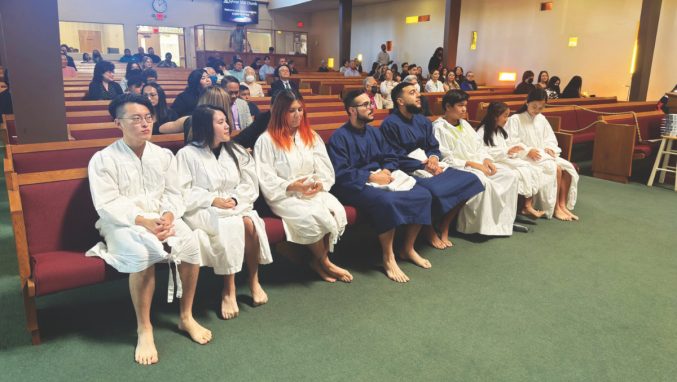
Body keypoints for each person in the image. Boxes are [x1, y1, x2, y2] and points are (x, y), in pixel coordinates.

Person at [87, 93, 212, 365]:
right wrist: (143, 221)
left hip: (161, 218)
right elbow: (107, 204)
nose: (145, 124)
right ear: (117, 123)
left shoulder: (164, 155)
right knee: (142, 253)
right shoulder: (103, 159)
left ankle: (186, 316)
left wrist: (168, 216)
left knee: (190, 243)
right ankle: (144, 327)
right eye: (136, 119)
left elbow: (174, 193)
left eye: (148, 117)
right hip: (123, 223)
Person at [177, 105, 273, 319]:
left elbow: (250, 182)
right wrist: (213, 199)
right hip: (202, 208)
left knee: (250, 223)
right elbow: (182, 191)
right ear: (205, 126)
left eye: (226, 120)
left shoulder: (236, 150)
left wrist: (236, 198)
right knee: (233, 224)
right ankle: (229, 289)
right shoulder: (187, 154)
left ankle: (253, 280)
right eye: (220, 122)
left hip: (235, 204)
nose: (227, 125)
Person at [328, 90, 434, 282]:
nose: (372, 108)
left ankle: (407, 248)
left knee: (423, 194)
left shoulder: (375, 133)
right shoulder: (339, 137)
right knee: (386, 202)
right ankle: (388, 256)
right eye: (366, 105)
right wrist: (369, 176)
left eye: (371, 104)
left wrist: (387, 169)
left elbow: (391, 156)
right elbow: (339, 172)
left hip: (382, 178)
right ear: (352, 110)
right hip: (354, 185)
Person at [254, 91, 352, 283]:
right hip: (285, 195)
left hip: (311, 189)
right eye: (291, 111)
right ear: (280, 112)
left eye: (300, 109)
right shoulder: (266, 140)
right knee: (310, 217)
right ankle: (325, 261)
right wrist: (292, 186)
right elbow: (265, 177)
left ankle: (316, 262)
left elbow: (324, 165)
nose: (297, 114)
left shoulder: (310, 135)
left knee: (333, 210)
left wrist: (319, 183)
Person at [380, 82, 484, 249]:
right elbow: (393, 155)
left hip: (430, 164)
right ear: (400, 101)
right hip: (408, 169)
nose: (418, 95)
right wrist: (423, 165)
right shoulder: (390, 124)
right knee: (432, 191)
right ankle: (428, 230)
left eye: (418, 92)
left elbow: (433, 146)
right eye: (412, 93)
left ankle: (444, 224)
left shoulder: (422, 120)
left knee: (471, 179)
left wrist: (433, 159)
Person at [432, 90, 519, 236]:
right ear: (447, 106)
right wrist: (473, 164)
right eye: (460, 106)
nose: (464, 109)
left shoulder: (465, 124)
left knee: (510, 175)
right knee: (484, 181)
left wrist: (486, 160)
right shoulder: (439, 127)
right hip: (460, 167)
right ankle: (480, 227)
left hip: (478, 164)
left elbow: (479, 147)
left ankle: (502, 222)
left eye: (465, 105)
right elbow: (445, 157)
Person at [504, 88, 579, 221]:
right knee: (556, 168)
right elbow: (511, 142)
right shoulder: (515, 119)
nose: (537, 110)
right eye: (534, 106)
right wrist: (527, 151)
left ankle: (562, 205)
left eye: (541, 107)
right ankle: (555, 208)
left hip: (542, 154)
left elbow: (549, 138)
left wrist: (549, 147)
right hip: (527, 156)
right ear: (527, 102)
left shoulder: (541, 119)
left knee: (568, 168)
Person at [477, 102, 547, 219]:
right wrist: (506, 152)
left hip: (503, 159)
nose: (507, 119)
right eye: (505, 116)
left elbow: (505, 148)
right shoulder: (482, 132)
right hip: (493, 162)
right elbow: (483, 152)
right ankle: (523, 207)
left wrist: (512, 151)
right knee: (519, 172)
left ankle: (527, 205)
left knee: (530, 168)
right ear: (495, 116)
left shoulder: (500, 131)